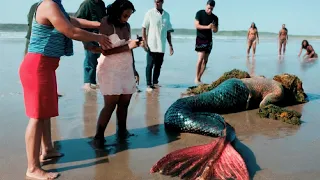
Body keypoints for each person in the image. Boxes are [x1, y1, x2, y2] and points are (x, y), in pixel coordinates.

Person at [19, 0, 111, 179]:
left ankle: (48, 149)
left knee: (45, 113)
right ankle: (32, 168)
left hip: (45, 66)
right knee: (37, 117)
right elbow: (70, 30)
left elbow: (73, 21)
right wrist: (98, 37)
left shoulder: (56, 4)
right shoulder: (48, 4)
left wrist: (99, 25)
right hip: (37, 65)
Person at [92, 0, 144, 148]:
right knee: (110, 104)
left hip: (126, 67)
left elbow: (129, 49)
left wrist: (134, 68)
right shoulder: (106, 23)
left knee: (125, 102)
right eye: (125, 15)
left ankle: (121, 132)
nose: (128, 18)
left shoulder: (126, 26)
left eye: (129, 15)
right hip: (109, 68)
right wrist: (128, 46)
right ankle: (98, 137)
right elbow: (105, 51)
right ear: (117, 12)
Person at [142, 0, 174, 92]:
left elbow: (168, 31)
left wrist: (170, 45)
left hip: (162, 45)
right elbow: (144, 27)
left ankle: (155, 82)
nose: (156, 3)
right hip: (151, 44)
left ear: (162, 2)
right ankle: (148, 84)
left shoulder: (167, 15)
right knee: (150, 64)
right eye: (155, 1)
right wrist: (144, 41)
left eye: (158, 1)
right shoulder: (149, 13)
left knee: (158, 65)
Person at [75, 0, 107, 91]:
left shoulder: (101, 3)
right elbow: (77, 21)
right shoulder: (86, 4)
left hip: (100, 36)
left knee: (98, 60)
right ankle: (87, 82)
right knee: (90, 58)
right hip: (88, 35)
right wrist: (84, 39)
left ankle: (93, 82)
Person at [194, 0, 219, 85]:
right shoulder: (199, 13)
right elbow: (196, 25)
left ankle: (199, 78)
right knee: (200, 58)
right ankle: (196, 78)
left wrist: (213, 27)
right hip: (200, 38)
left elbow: (215, 31)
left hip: (209, 40)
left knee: (205, 61)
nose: (210, 10)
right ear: (206, 5)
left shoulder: (215, 18)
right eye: (208, 8)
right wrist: (207, 27)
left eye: (211, 9)